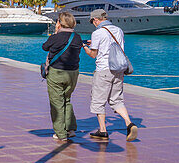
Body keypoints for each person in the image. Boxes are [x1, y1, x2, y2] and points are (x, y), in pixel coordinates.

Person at [83, 9, 139, 141]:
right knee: (116, 100)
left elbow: (93, 54)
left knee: (98, 100)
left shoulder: (98, 32)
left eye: (93, 21)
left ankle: (103, 131)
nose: (93, 24)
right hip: (118, 69)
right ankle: (129, 123)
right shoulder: (118, 30)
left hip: (104, 70)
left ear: (96, 19)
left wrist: (85, 47)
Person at [42, 12, 83, 142]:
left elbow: (45, 47)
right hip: (73, 73)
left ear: (60, 23)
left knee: (56, 102)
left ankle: (60, 133)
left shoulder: (56, 37)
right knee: (67, 99)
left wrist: (55, 33)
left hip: (57, 73)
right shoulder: (77, 37)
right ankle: (70, 129)